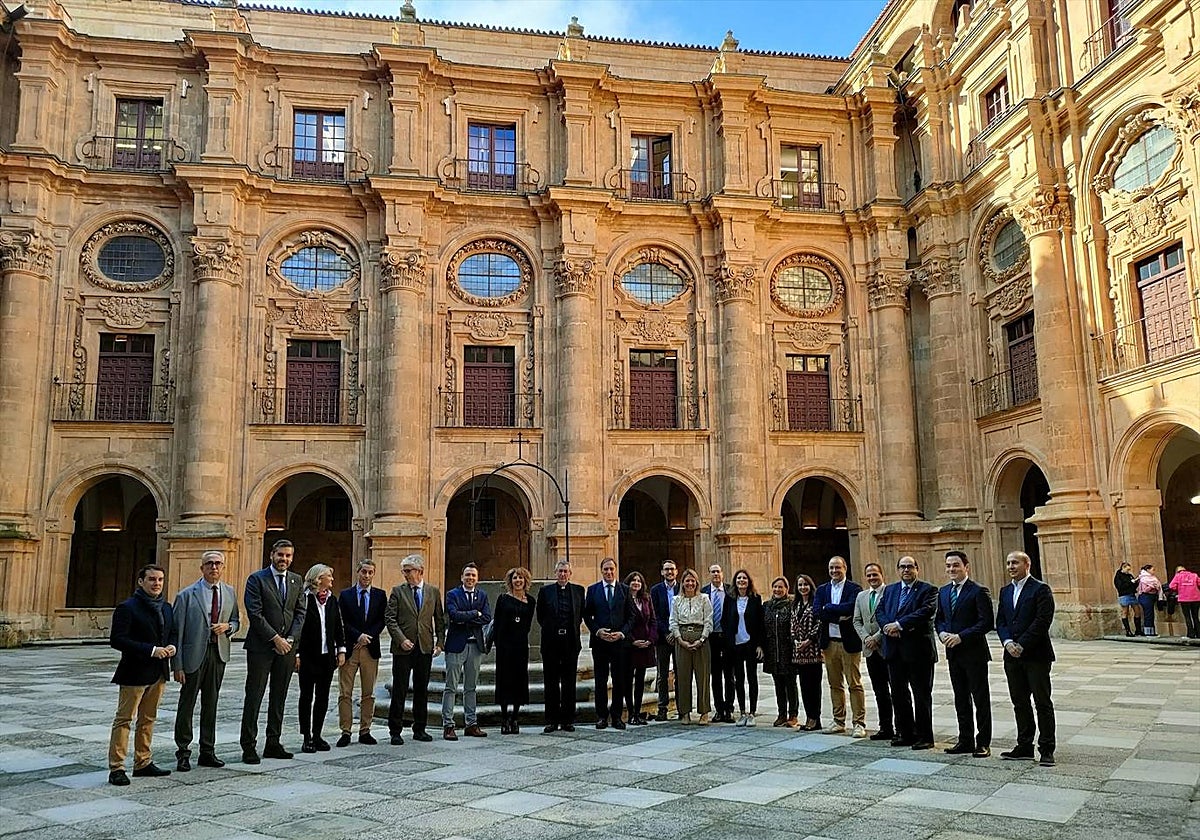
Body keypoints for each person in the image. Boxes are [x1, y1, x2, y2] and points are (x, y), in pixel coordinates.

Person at [171, 551, 239, 772]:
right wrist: (177, 665)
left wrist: (228, 627)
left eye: (218, 563)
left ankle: (207, 750)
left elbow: (236, 621)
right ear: (202, 568)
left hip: (218, 653)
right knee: (187, 703)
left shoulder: (229, 592)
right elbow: (177, 632)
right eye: (209, 564)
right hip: (193, 656)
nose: (214, 567)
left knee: (211, 703)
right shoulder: (186, 595)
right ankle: (183, 751)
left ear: (223, 567)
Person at [108, 564, 175, 786]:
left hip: (158, 672)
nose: (157, 583)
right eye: (152, 579)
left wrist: (171, 647)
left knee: (148, 719)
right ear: (140, 581)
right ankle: (117, 767)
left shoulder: (166, 607)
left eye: (160, 580)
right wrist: (151, 650)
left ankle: (143, 762)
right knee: (125, 719)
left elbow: (170, 633)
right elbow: (117, 640)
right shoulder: (128, 607)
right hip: (134, 672)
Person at [240, 539, 306, 764]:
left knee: (279, 697)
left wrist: (289, 639)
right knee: (255, 696)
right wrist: (275, 638)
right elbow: (255, 613)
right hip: (261, 648)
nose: (284, 559)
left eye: (288, 556)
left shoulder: (297, 580)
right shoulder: (256, 579)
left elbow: (300, 613)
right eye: (280, 555)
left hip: (287, 648)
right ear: (272, 555)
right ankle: (248, 745)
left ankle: (273, 742)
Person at [996, 550, 1057, 767]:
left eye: (1015, 563)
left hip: (1036, 655)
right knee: (1019, 702)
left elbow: (1042, 621)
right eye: (1008, 563)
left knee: (1042, 702)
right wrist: (1007, 643)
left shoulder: (1040, 589)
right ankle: (1024, 745)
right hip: (1011, 655)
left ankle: (1047, 748)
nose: (1011, 566)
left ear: (1027, 564)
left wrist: (1021, 644)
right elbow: (1001, 621)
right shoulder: (1004, 591)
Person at [935, 551, 994, 758]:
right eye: (949, 565)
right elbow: (939, 619)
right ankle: (965, 739)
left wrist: (961, 636)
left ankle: (983, 742)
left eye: (956, 565)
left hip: (974, 653)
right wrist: (941, 633)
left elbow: (986, 622)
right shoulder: (943, 592)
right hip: (953, 654)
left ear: (966, 567)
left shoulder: (978, 591)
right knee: (961, 698)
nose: (952, 569)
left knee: (980, 698)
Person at [875, 555, 938, 750]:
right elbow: (880, 611)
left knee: (921, 695)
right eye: (902, 567)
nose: (906, 570)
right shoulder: (891, 590)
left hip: (918, 652)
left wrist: (899, 625)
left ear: (917, 569)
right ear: (897, 570)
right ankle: (905, 732)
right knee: (899, 694)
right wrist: (886, 626)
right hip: (894, 651)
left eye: (910, 567)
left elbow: (925, 612)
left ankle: (925, 736)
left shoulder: (929, 590)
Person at [384, 553, 445, 745]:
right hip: (403, 649)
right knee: (400, 689)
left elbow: (440, 620)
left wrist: (440, 643)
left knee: (421, 689)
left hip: (424, 647)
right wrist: (401, 639)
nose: (405, 574)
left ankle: (420, 728)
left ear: (420, 571)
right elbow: (390, 619)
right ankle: (395, 730)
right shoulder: (397, 591)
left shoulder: (433, 591)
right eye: (404, 570)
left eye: (408, 570)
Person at [336, 559, 387, 747]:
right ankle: (346, 731)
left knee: (369, 693)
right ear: (358, 572)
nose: (366, 576)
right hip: (351, 648)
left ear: (374, 574)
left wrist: (368, 637)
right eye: (363, 572)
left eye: (370, 572)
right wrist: (358, 636)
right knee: (345, 692)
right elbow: (342, 620)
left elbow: (382, 620)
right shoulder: (346, 595)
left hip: (370, 649)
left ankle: (365, 730)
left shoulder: (380, 595)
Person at [296, 564, 346, 752]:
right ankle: (306, 737)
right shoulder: (304, 599)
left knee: (323, 697)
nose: (332, 580)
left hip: (327, 657)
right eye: (329, 576)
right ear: (319, 578)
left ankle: (317, 734)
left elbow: (337, 626)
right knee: (306, 696)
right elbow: (298, 627)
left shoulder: (332, 600)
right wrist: (297, 653)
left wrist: (341, 650)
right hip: (308, 657)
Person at [813, 556, 865, 737]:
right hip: (829, 644)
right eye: (831, 568)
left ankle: (859, 723)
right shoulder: (822, 590)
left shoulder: (854, 588)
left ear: (845, 568)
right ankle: (838, 720)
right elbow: (818, 612)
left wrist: (830, 609)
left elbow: (851, 608)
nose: (834, 571)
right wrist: (837, 614)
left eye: (837, 568)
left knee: (854, 684)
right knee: (834, 684)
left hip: (849, 644)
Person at [442, 563, 491, 740]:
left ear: (477, 579)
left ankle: (471, 723)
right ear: (462, 577)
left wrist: (468, 617)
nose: (470, 578)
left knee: (471, 687)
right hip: (456, 645)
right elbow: (454, 615)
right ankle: (448, 725)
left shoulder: (482, 595)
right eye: (467, 575)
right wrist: (474, 614)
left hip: (475, 646)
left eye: (473, 576)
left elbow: (486, 617)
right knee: (451, 687)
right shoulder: (452, 594)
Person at [584, 557, 635, 729]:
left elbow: (632, 616)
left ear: (616, 570)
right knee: (600, 680)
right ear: (601, 570)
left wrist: (622, 633)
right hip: (600, 643)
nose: (609, 572)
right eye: (606, 569)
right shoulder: (592, 590)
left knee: (619, 680)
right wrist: (598, 631)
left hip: (619, 643)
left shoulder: (624, 590)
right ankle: (602, 716)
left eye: (611, 569)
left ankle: (617, 716)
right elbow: (587, 615)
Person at [536, 559, 585, 733]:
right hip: (551, 642)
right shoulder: (545, 591)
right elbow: (540, 616)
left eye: (566, 571)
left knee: (569, 682)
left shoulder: (579, 591)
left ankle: (567, 720)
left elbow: (580, 615)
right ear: (555, 573)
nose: (563, 574)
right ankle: (551, 720)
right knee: (551, 682)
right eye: (560, 571)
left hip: (571, 642)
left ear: (570, 574)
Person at [852, 562, 895, 741]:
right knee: (879, 691)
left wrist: (876, 637)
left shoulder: (891, 593)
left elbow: (891, 617)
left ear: (882, 574)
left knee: (897, 690)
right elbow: (856, 620)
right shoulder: (861, 596)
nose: (872, 578)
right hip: (870, 651)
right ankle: (885, 727)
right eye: (869, 575)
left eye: (875, 574)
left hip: (887, 647)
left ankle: (902, 726)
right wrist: (865, 638)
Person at [493, 566, 536, 733]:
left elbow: (527, 625)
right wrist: (498, 643)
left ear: (525, 581)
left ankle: (515, 717)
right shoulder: (503, 599)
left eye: (521, 578)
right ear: (510, 581)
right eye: (515, 578)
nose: (518, 581)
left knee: (519, 680)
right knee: (504, 680)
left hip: (520, 645)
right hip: (505, 645)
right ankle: (504, 718)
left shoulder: (531, 601)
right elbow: (497, 623)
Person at [670, 568, 713, 724]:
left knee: (702, 677)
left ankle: (704, 712)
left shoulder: (704, 598)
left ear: (696, 583)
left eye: (692, 580)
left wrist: (701, 639)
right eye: (687, 580)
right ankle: (685, 712)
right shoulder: (676, 600)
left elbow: (709, 621)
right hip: (681, 639)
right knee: (683, 677)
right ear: (682, 583)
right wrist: (679, 639)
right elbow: (673, 621)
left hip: (700, 638)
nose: (689, 583)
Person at [727, 569, 763, 726]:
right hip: (736, 644)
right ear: (735, 581)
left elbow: (761, 623)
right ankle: (742, 712)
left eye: (744, 578)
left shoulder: (755, 599)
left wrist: (760, 645)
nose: (741, 580)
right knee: (739, 679)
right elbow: (725, 620)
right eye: (739, 578)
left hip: (751, 643)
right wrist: (729, 641)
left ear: (749, 581)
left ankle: (752, 713)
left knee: (752, 678)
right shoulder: (730, 599)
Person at [703, 564, 737, 723]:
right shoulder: (703, 592)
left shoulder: (731, 591)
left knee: (729, 675)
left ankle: (729, 708)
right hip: (711, 637)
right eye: (713, 572)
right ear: (709, 574)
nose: (716, 574)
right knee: (715, 675)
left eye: (718, 571)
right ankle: (718, 709)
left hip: (728, 637)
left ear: (723, 574)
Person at [762, 576, 797, 727]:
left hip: (787, 649)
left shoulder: (792, 605)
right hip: (772, 650)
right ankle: (781, 713)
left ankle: (793, 714)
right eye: (775, 587)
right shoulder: (767, 606)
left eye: (780, 587)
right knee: (778, 683)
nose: (777, 590)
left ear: (786, 589)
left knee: (790, 683)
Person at [625, 571, 658, 725]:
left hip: (645, 645)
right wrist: (632, 640)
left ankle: (637, 713)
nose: (636, 583)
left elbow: (652, 620)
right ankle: (630, 713)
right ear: (628, 582)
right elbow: (622, 621)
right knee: (628, 680)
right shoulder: (624, 599)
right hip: (630, 646)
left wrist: (650, 639)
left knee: (640, 680)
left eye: (639, 580)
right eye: (633, 580)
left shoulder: (646, 599)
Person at [650, 559, 681, 721]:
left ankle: (682, 707)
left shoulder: (682, 588)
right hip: (662, 639)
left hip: (679, 638)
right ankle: (662, 707)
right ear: (662, 572)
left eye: (672, 569)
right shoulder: (655, 590)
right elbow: (654, 614)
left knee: (680, 673)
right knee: (662, 675)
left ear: (676, 571)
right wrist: (666, 632)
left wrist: (675, 633)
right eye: (666, 569)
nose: (669, 572)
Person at [792, 574, 824, 731]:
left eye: (805, 584)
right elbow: (792, 625)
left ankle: (815, 718)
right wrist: (795, 641)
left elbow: (819, 623)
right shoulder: (796, 604)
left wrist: (809, 640)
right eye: (800, 585)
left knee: (814, 687)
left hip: (813, 652)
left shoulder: (815, 604)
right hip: (799, 654)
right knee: (804, 686)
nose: (803, 587)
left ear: (811, 586)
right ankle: (809, 717)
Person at [1168, 565, 1200, 639]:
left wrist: (1179, 588)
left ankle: (1191, 634)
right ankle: (1199, 633)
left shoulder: (1178, 576)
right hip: (1196, 598)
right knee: (1195, 616)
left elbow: (1171, 586)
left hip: (1184, 599)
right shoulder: (1194, 575)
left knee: (1187, 616)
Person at [1113, 562, 1143, 637]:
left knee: (1137, 610)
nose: (1128, 571)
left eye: (1129, 569)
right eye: (1127, 569)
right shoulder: (1118, 576)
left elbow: (1133, 584)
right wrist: (1130, 583)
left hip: (1132, 594)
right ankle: (1128, 631)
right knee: (1125, 612)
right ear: (1123, 567)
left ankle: (1138, 630)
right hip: (1124, 595)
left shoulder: (1129, 575)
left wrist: (1136, 582)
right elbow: (1120, 586)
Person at [1137, 564, 1163, 637]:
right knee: (1148, 614)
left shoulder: (1153, 578)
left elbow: (1158, 586)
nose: (1154, 571)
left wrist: (1156, 587)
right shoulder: (1143, 578)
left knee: (1151, 614)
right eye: (1152, 569)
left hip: (1152, 596)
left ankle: (1152, 631)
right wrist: (1152, 586)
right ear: (1148, 570)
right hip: (1145, 597)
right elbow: (1144, 590)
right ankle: (1148, 632)